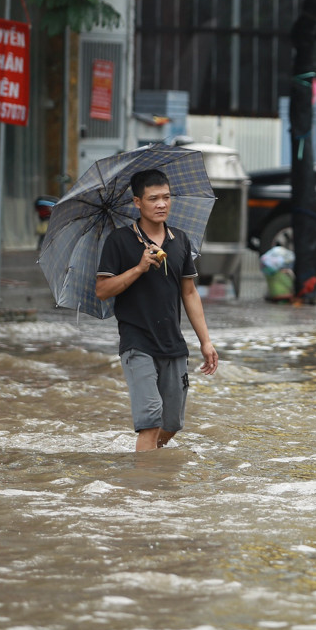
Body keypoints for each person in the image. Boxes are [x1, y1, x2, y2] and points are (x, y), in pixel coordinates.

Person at [96, 169, 219, 452]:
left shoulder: (180, 240)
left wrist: (206, 341)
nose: (162, 204)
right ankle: (145, 477)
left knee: (171, 424)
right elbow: (102, 290)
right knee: (150, 422)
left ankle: (149, 462)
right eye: (153, 199)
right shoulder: (119, 241)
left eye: (166, 197)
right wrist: (138, 268)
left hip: (173, 344)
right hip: (137, 343)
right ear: (137, 202)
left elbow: (189, 293)